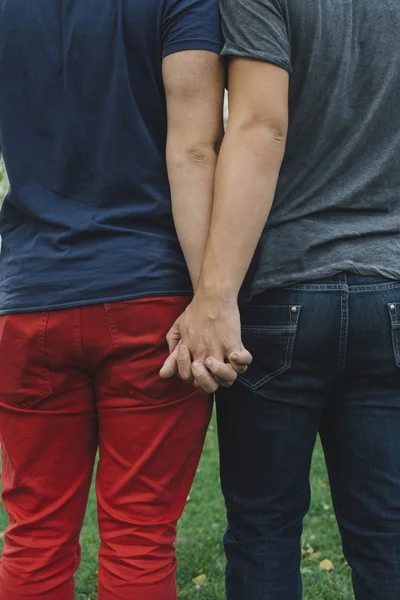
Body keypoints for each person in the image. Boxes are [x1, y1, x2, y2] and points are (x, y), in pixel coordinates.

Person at [161, 0, 400, 598]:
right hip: (389, 290)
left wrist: (213, 295)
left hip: (280, 294)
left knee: (264, 528)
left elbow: (259, 125)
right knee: (388, 534)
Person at [0, 1, 229, 598]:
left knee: (34, 532)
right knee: (141, 534)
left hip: (31, 296)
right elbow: (194, 150)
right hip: (148, 296)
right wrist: (209, 292)